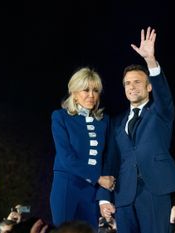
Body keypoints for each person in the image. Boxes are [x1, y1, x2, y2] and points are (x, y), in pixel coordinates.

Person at [97, 26, 175, 233]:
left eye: (137, 82)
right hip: (124, 194)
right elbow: (111, 161)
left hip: (155, 190)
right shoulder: (117, 122)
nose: (132, 86)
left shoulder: (160, 112)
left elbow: (164, 96)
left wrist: (151, 62)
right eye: (127, 83)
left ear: (149, 87)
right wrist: (103, 198)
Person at [50, 67, 115, 229]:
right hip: (66, 186)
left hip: (91, 192)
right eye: (86, 90)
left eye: (95, 90)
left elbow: (107, 158)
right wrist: (98, 178)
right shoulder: (60, 117)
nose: (91, 95)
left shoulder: (105, 121)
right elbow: (66, 158)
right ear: (74, 92)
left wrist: (103, 195)